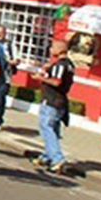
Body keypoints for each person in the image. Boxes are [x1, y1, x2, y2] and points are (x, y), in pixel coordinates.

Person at [29, 40, 75, 173]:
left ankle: (57, 159)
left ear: (60, 49)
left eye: (52, 47)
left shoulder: (60, 65)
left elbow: (56, 82)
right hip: (60, 101)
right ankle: (47, 156)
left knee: (46, 128)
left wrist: (40, 78)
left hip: (51, 100)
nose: (50, 50)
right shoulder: (69, 65)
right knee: (53, 130)